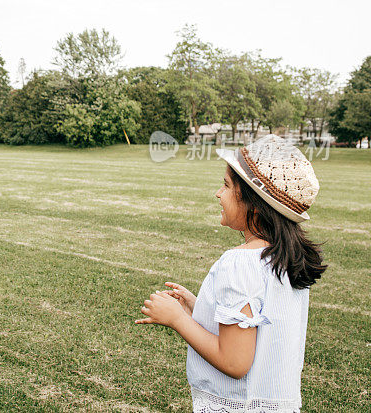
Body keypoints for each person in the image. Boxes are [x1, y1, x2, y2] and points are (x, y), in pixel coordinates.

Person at [136, 134, 327, 412]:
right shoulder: (285, 259)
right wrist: (199, 307)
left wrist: (177, 319)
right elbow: (257, 326)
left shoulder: (240, 263)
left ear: (253, 202)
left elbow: (235, 362)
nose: (218, 193)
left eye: (226, 185)